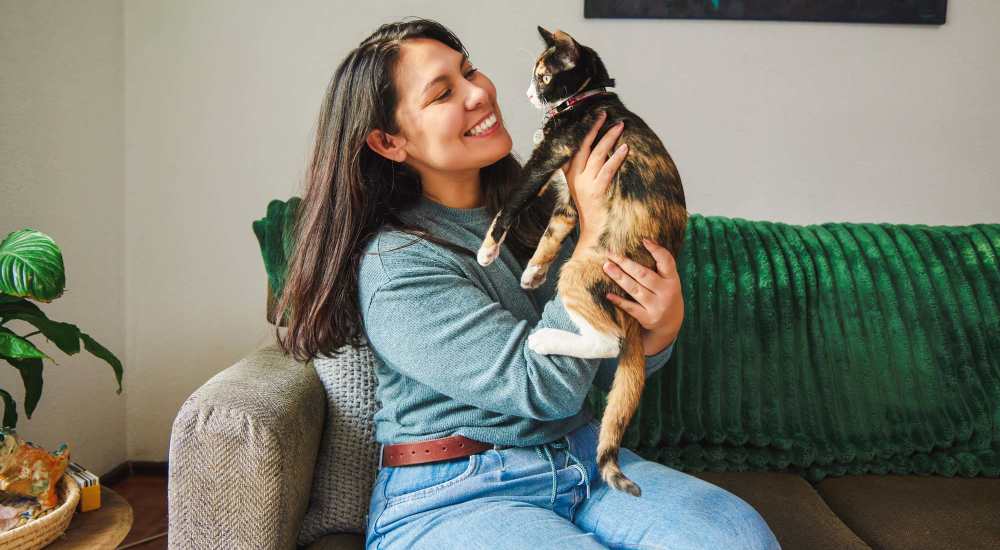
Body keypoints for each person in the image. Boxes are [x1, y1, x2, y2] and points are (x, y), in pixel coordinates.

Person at [275, 17, 781, 550]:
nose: (478, 93)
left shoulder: (541, 212)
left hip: (586, 458)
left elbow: (601, 368)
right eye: (444, 92)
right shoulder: (397, 263)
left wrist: (657, 330)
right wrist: (592, 237)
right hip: (459, 491)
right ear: (388, 140)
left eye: (469, 70)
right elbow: (546, 388)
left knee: (736, 536)